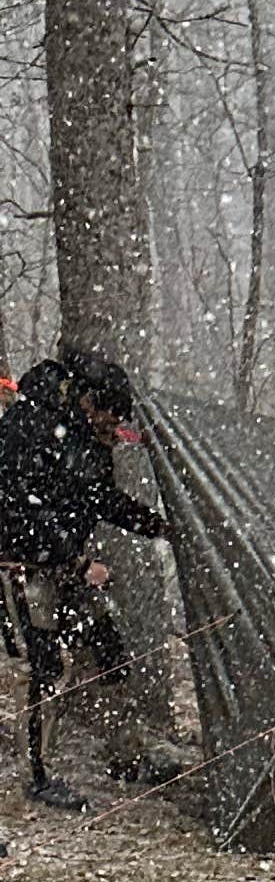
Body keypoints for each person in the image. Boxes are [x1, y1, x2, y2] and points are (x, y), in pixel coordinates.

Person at [0, 344, 183, 811]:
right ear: (86, 401)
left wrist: (160, 527)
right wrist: (78, 563)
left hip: (63, 569)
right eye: (109, 419)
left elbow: (101, 499)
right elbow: (21, 511)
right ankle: (35, 777)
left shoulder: (82, 442)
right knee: (42, 671)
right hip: (23, 571)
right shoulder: (29, 426)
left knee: (109, 655)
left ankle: (125, 755)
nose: (114, 432)